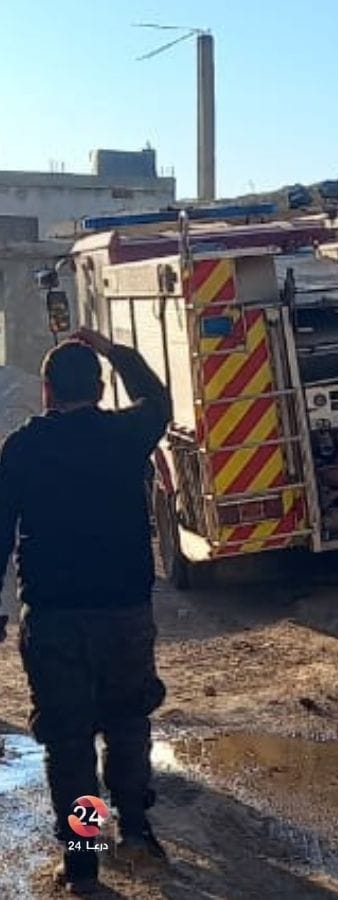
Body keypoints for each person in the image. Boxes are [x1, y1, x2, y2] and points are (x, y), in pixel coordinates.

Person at [0, 329, 171, 893]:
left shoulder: (22, 448)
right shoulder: (127, 433)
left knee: (70, 741)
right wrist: (114, 350)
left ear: (46, 390)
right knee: (128, 722)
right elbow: (156, 397)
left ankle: (83, 861)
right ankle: (136, 829)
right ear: (100, 389)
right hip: (125, 612)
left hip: (54, 620)